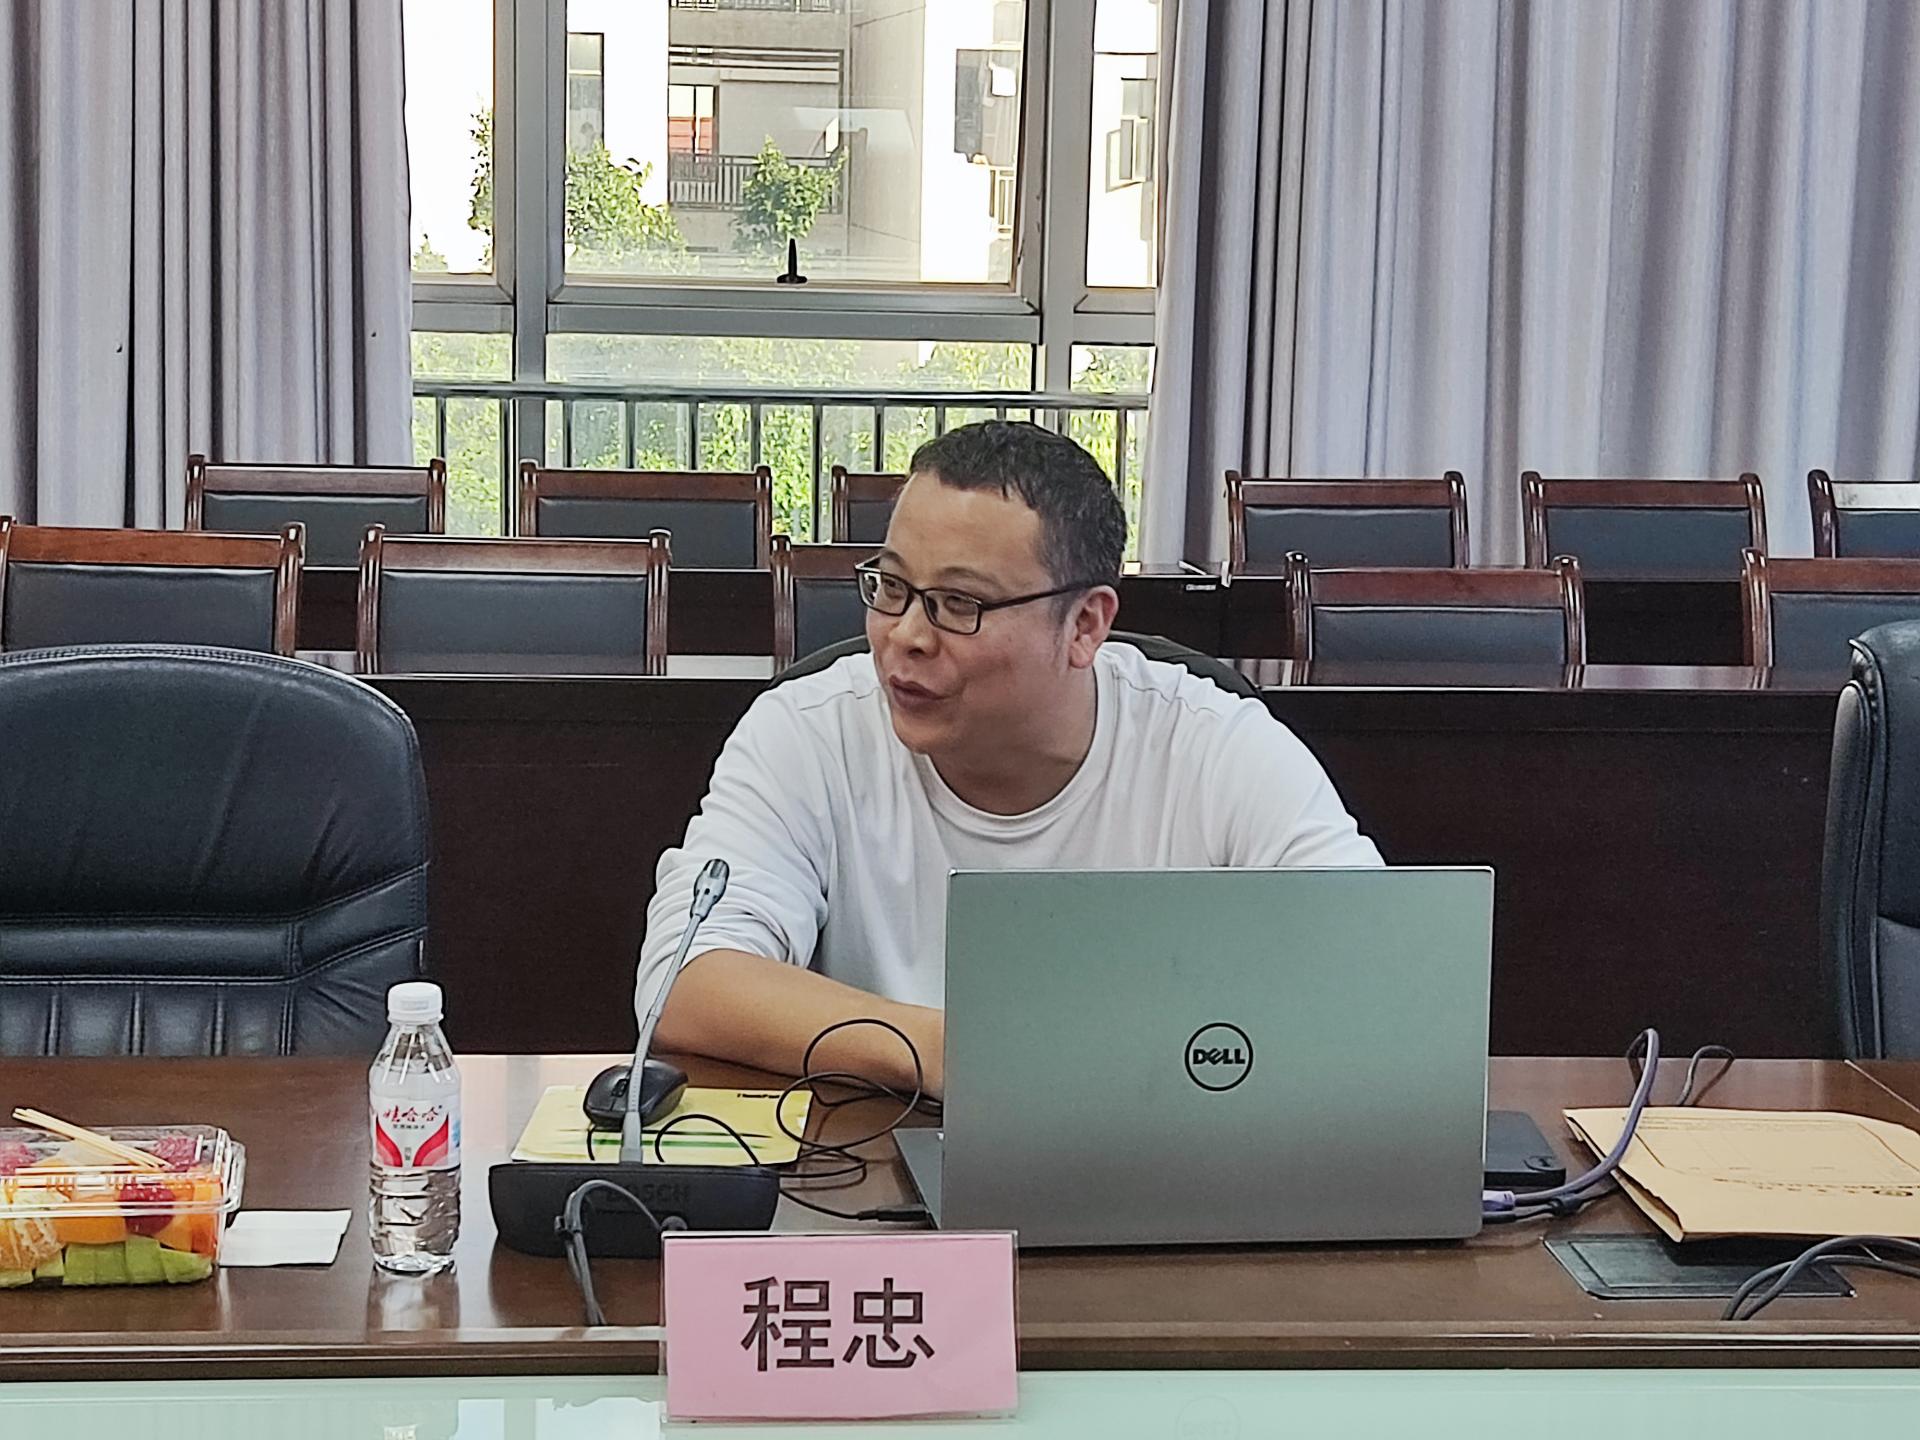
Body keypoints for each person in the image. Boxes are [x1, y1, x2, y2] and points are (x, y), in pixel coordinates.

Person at [637, 421, 1380, 1096]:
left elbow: (1374, 972)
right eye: (891, 587)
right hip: (874, 1161)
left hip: (1166, 1155)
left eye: (960, 604)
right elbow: (685, 982)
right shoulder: (807, 732)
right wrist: (958, 1054)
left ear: (1084, 625)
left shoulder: (1217, 746)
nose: (906, 636)